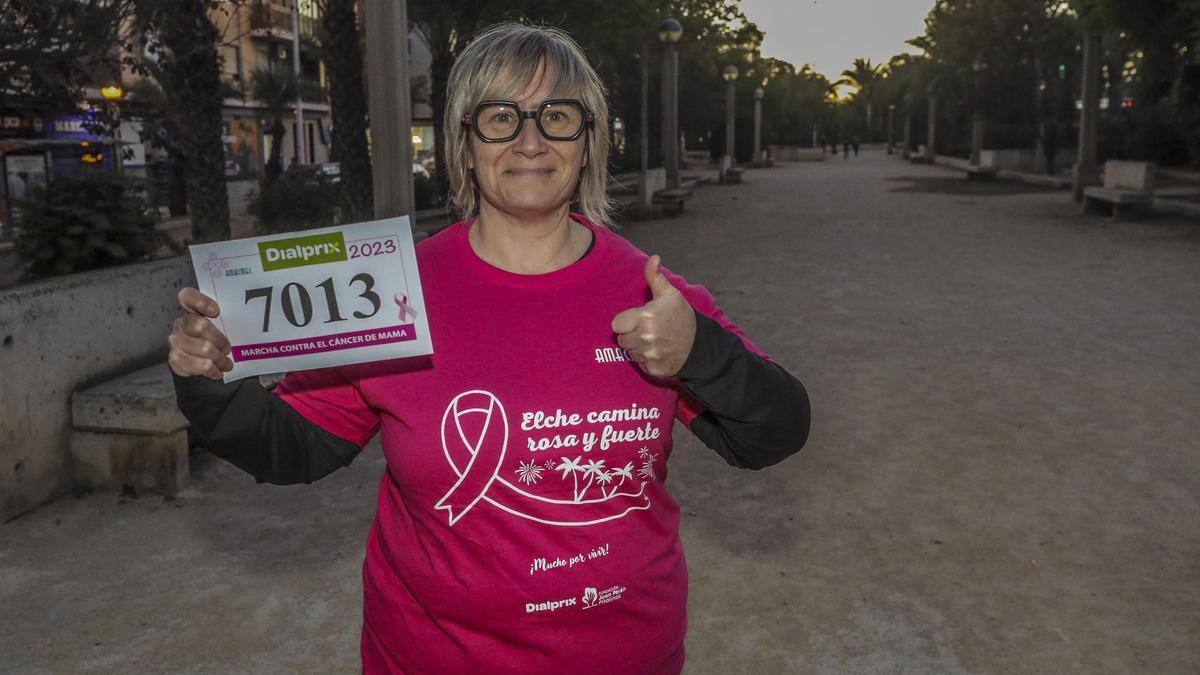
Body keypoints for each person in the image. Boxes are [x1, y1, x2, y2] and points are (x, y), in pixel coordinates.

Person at [168, 23, 809, 674]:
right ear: (463, 144)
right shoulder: (392, 292)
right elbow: (293, 445)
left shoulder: (657, 298)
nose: (530, 139)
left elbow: (774, 431)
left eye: (556, 115)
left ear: (588, 141)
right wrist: (207, 378)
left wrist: (703, 352)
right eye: (501, 117)